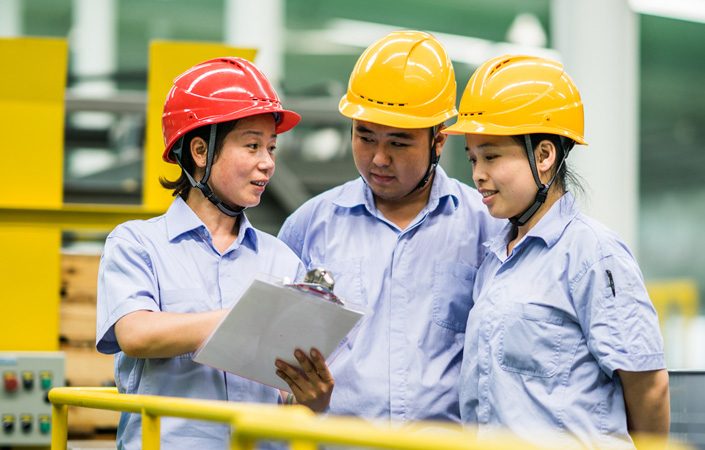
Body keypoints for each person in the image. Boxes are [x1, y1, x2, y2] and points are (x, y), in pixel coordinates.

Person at [96, 57, 333, 449]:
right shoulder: (137, 244)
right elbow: (136, 333)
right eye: (252, 145)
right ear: (201, 151)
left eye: (271, 148)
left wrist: (315, 399)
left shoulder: (281, 259)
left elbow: (292, 399)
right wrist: (246, 317)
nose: (268, 163)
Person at [443, 54, 670, 448]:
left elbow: (649, 390)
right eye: (474, 158)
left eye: (492, 156)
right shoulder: (495, 259)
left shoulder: (594, 256)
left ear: (544, 156)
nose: (478, 173)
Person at [277, 30, 502, 422]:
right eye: (365, 137)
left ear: (438, 142)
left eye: (399, 143)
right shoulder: (311, 225)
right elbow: (275, 348)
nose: (379, 158)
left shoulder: (484, 227)